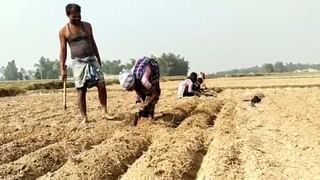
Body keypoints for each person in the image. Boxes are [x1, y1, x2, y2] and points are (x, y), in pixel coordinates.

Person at [59, 3, 113, 123]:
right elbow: (63, 51)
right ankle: (84, 117)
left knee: (101, 84)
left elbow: (93, 43)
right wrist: (62, 69)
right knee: (81, 90)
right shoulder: (64, 31)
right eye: (74, 17)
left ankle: (104, 111)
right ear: (68, 15)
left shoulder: (87, 26)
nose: (77, 18)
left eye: (79, 16)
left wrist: (98, 58)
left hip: (91, 59)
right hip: (78, 63)